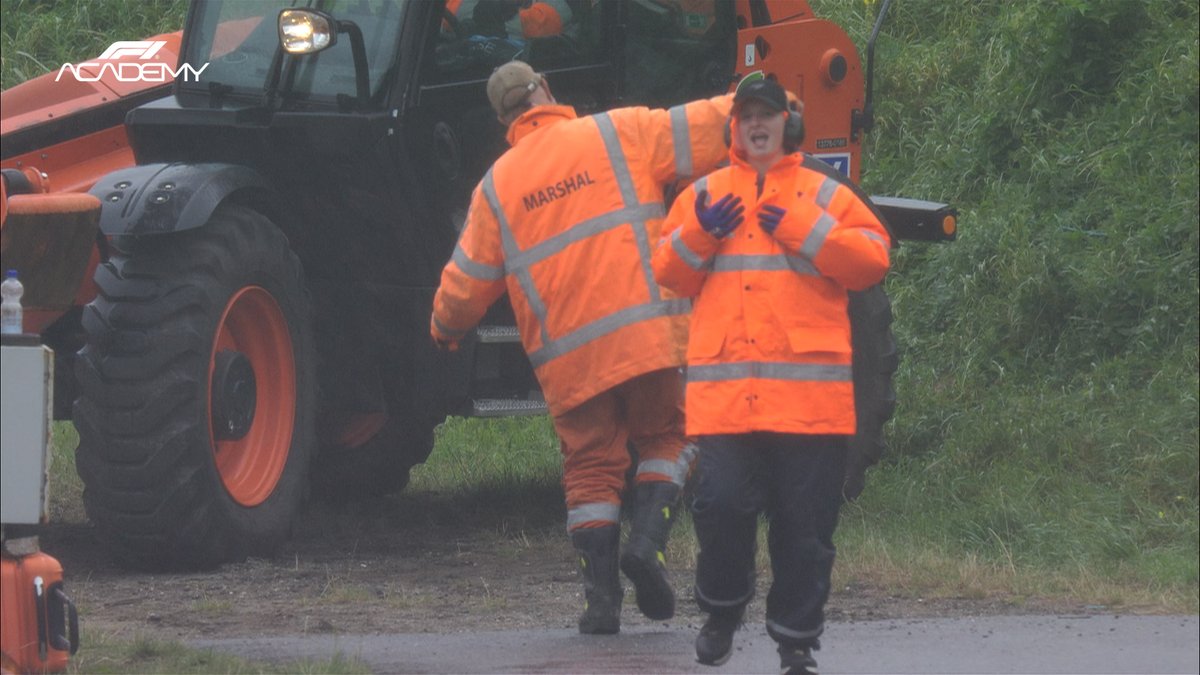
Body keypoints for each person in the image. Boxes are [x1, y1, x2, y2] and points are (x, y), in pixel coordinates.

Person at [430, 60, 735, 634]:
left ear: (504, 119)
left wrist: (445, 329)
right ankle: (647, 545)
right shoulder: (618, 132)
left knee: (591, 472)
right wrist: (747, 100)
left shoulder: (496, 187)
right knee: (668, 437)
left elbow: (464, 286)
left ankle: (601, 605)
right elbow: (706, 125)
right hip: (645, 338)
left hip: (569, 359)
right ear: (545, 89)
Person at [651, 75, 891, 674]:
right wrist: (703, 232)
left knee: (803, 532)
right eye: (746, 116)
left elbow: (871, 261)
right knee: (721, 508)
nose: (756, 124)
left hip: (810, 407)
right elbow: (668, 271)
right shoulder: (702, 196)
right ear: (734, 128)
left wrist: (806, 229)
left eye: (768, 114)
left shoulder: (824, 193)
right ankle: (723, 610)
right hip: (727, 404)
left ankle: (795, 644)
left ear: (789, 123)